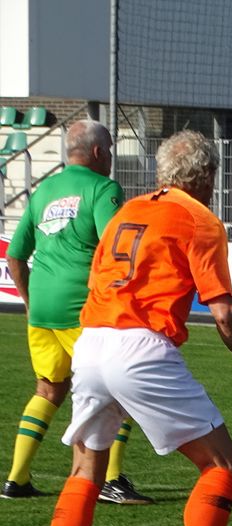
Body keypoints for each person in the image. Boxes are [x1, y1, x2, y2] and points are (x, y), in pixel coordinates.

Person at [39, 130, 232, 526]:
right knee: (223, 465)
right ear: (205, 177)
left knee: (85, 468)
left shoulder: (127, 210)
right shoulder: (201, 221)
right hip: (140, 347)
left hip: (92, 341)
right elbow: (224, 313)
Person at [2, 119, 152, 505]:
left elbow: (15, 256)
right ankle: (111, 480)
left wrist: (30, 301)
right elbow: (115, 249)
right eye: (111, 153)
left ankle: (16, 480)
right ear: (100, 153)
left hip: (42, 309)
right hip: (82, 309)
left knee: (49, 389)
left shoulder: (43, 190)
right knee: (120, 388)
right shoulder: (104, 188)